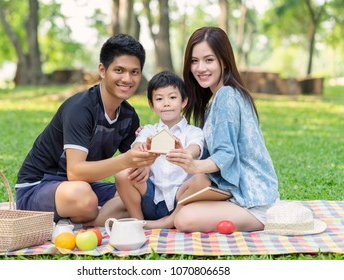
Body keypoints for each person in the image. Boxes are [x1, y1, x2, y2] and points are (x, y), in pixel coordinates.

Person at [15, 34, 157, 225]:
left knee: (135, 196)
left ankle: (84, 223)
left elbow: (134, 163)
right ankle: (92, 216)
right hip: (39, 187)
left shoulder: (129, 116)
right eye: (119, 70)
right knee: (83, 197)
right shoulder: (81, 108)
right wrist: (125, 160)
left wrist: (145, 163)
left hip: (84, 186)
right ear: (102, 70)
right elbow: (75, 172)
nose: (127, 79)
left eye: (134, 72)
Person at [166, 26, 279, 232]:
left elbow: (226, 155)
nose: (200, 68)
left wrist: (194, 166)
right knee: (188, 189)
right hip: (235, 190)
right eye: (194, 61)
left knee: (184, 219)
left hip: (253, 200)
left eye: (209, 60)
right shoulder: (218, 97)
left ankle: (263, 220)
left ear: (224, 62)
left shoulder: (226, 96)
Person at [115, 71, 204, 228]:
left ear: (184, 101)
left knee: (203, 179)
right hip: (152, 198)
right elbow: (137, 145)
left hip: (180, 201)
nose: (166, 103)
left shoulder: (193, 132)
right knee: (123, 175)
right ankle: (137, 223)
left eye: (172, 97)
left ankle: (166, 222)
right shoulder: (149, 130)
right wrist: (143, 151)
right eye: (159, 99)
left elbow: (195, 148)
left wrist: (184, 153)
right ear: (151, 104)